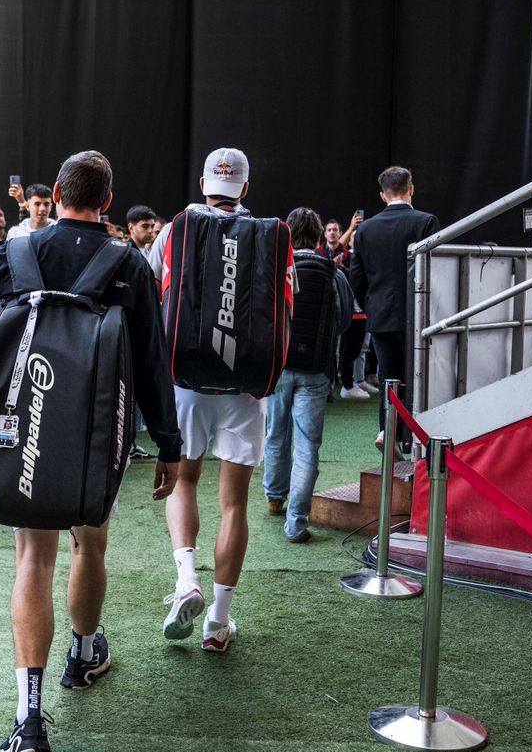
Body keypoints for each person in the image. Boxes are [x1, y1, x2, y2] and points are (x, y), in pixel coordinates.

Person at [0, 150, 182, 752]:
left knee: (31, 559)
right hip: (97, 431)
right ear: (108, 202)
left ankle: (28, 716)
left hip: (26, 426)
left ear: (57, 192)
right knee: (89, 544)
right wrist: (169, 445)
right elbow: (151, 363)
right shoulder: (128, 263)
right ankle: (85, 652)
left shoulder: (21, 252)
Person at [146, 147, 270, 655]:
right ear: (245, 187)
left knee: (185, 479)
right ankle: (218, 624)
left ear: (203, 183)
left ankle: (185, 580)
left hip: (187, 379)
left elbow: (154, 289)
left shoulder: (175, 229)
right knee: (235, 502)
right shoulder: (265, 233)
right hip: (245, 384)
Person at [264, 208, 351, 543]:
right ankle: (296, 523)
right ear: (318, 237)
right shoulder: (333, 273)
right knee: (307, 447)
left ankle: (274, 496)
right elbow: (344, 320)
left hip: (279, 366)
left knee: (275, 434)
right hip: (316, 371)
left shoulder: (276, 271)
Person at [345, 166, 440, 449]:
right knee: (419, 377)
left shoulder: (366, 229)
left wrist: (372, 307)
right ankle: (415, 438)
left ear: (382, 195)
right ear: (411, 189)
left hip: (381, 315)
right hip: (418, 315)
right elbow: (437, 269)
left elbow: (356, 276)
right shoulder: (426, 222)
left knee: (389, 376)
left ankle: (387, 432)